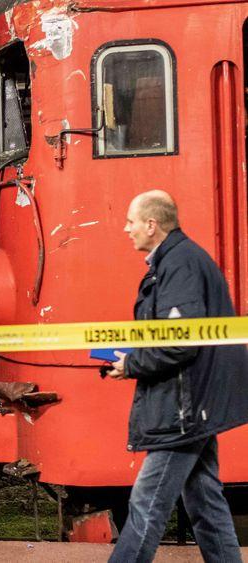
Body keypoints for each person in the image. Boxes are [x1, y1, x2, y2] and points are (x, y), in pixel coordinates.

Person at [107, 190, 248, 562]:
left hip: (185, 407)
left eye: (131, 221)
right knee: (204, 500)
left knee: (146, 502)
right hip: (195, 401)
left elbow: (180, 342)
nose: (126, 229)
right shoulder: (178, 261)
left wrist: (133, 364)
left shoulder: (179, 265)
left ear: (152, 225)